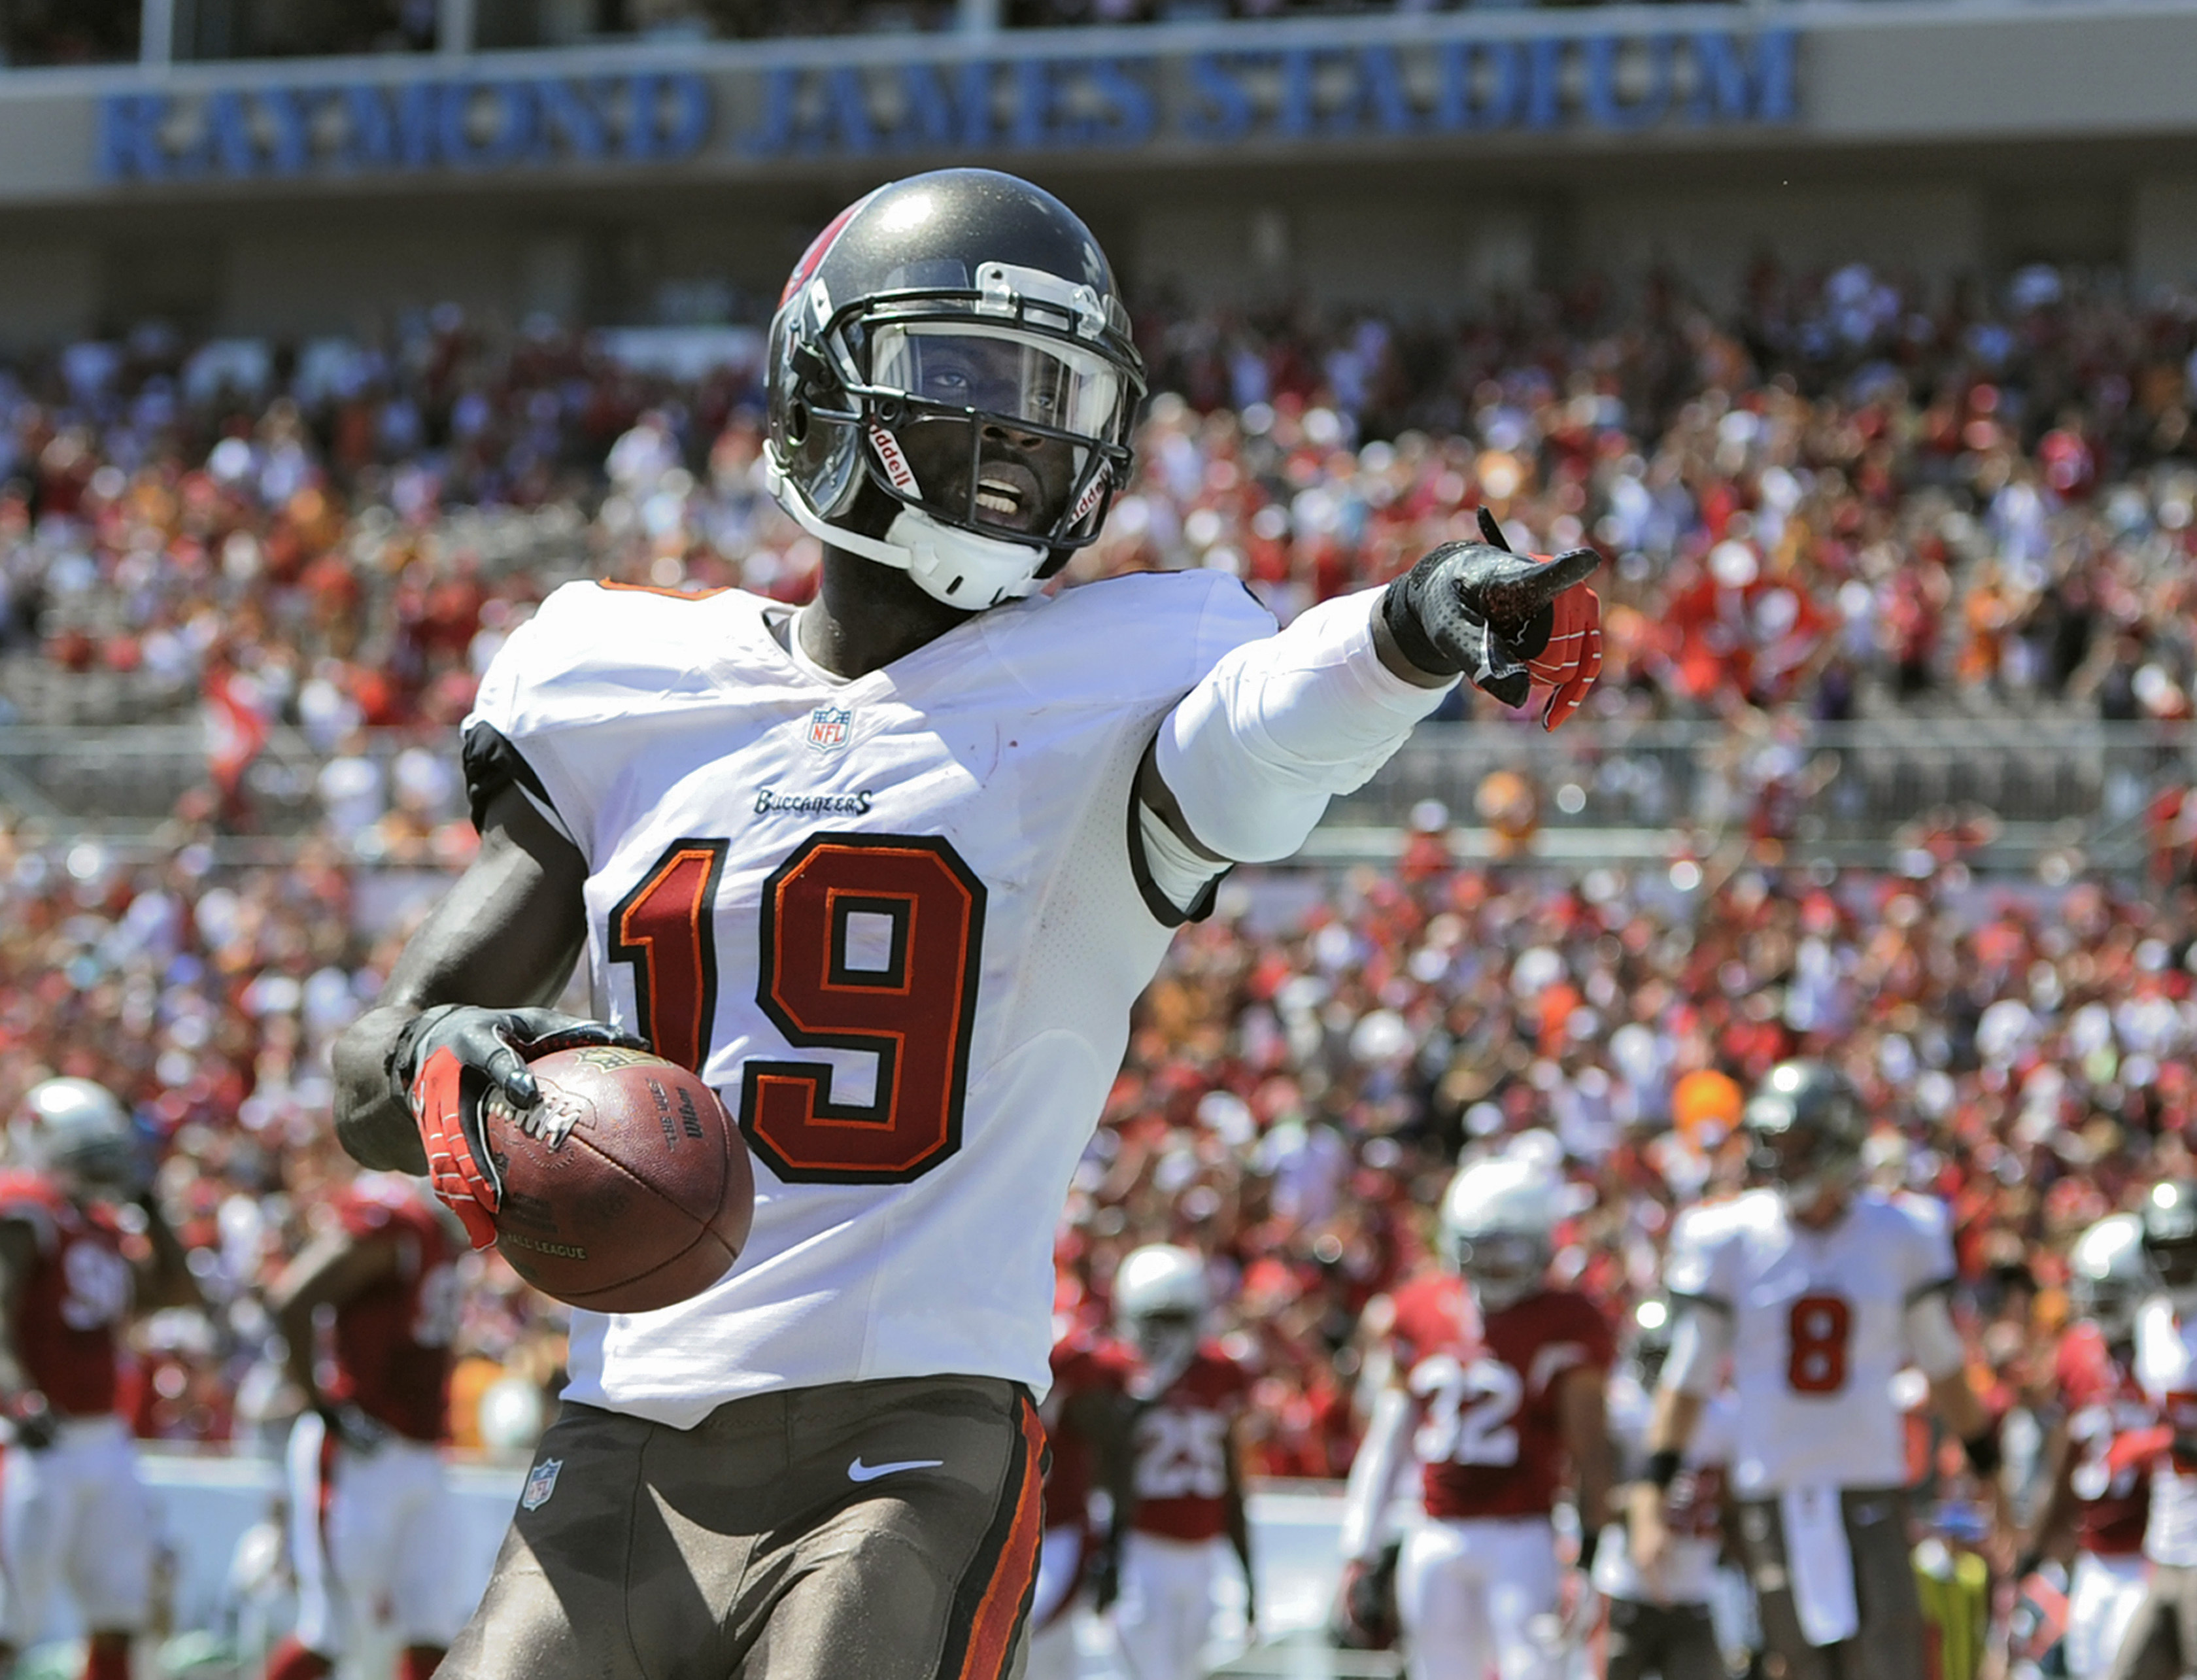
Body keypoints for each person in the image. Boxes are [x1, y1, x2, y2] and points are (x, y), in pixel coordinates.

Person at [328, 166, 1603, 1680]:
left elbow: (1260, 747)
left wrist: (1402, 630)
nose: (1011, 436)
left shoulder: (1114, 681)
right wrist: (452, 1075)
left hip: (912, 1428)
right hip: (625, 1434)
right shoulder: (621, 683)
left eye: (1049, 393)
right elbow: (369, 1079)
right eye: (959, 377)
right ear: (820, 384)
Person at [1629, 1059, 2007, 1680]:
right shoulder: (1728, 1235)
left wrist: (1987, 1465)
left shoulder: (1899, 1232)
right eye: (1774, 1145)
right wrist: (1650, 1494)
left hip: (1867, 1478)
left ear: (1839, 1144)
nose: (1784, 1162)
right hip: (1774, 1484)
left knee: (1891, 1656)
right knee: (1800, 1661)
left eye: (1798, 1146)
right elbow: (1688, 1377)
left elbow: (1943, 1365)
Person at [1337, 1145, 1613, 1680]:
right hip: (1434, 1528)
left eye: (1506, 1250)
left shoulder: (1567, 1318)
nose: (1492, 1266)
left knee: (1535, 1670)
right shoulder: (1418, 1306)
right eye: (1480, 1249)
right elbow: (1389, 1439)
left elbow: (1589, 1445)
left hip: (1523, 1530)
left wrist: (1587, 1554)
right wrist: (1360, 1545)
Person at [0, 1076, 197, 1680]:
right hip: (36, 1434)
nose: (104, 1164)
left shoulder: (103, 1225)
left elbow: (176, 1292)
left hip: (102, 1439)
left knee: (120, 1612)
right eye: (90, 1150)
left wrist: (154, 1206)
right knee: (8, 1621)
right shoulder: (28, 1209)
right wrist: (15, 1398)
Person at [262, 1173, 468, 1680]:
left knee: (433, 1625)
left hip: (420, 1448)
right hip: (361, 1447)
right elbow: (294, 1297)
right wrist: (320, 1403)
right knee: (331, 1630)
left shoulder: (437, 1232)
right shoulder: (400, 1221)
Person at [1101, 1244, 1255, 1680]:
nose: (1165, 1335)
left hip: (1203, 1552)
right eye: (1155, 1320)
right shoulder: (1116, 1373)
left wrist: (1249, 1578)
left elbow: (1233, 1477)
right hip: (1142, 1549)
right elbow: (1106, 1463)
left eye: (1177, 1320)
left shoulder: (1220, 1371)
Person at [2024, 1212, 2154, 1680]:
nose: (2099, 1308)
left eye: (2112, 1294)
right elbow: (2066, 1454)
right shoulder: (2079, 1350)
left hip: (2152, 1550)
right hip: (2095, 1551)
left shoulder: (2168, 1350)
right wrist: (2039, 1543)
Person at [1595, 1299, 1733, 1680]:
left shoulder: (1724, 1418)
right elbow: (1592, 1493)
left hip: (1697, 1587)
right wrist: (1642, 1505)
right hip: (1625, 1584)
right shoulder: (1623, 1411)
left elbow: (1733, 1503)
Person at [2105, 1180, 2197, 1680]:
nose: (2175, 1264)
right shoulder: (2151, 1322)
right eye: (2165, 1251)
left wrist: (2170, 1441)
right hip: (2168, 1537)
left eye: (2185, 1249)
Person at [1027, 1320, 1136, 1680]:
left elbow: (1116, 1448)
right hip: (989, 1529)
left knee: (1037, 1657)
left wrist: (1114, 1545)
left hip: (1053, 1536)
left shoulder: (1062, 1354)